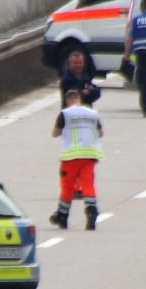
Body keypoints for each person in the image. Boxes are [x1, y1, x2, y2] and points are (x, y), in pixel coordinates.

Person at [50, 90, 104, 231]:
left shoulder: (65, 114)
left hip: (71, 157)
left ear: (67, 101)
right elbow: (100, 133)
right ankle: (91, 211)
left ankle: (62, 215)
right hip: (90, 155)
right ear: (79, 99)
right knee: (88, 184)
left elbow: (55, 133)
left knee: (67, 186)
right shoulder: (92, 113)